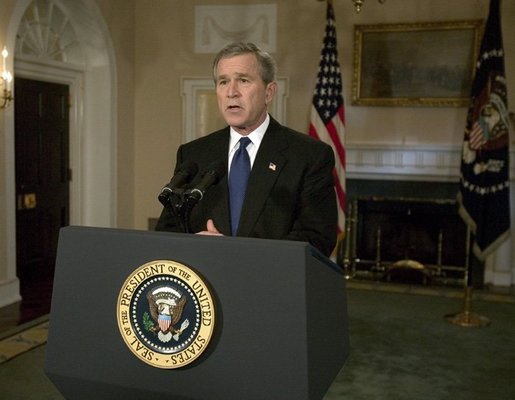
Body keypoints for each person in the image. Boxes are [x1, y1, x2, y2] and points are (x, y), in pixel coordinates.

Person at [156, 42, 337, 257]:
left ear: (269, 92)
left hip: (270, 285)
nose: (232, 92)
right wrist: (195, 244)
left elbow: (317, 238)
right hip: (205, 282)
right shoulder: (194, 154)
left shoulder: (309, 156)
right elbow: (168, 230)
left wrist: (239, 254)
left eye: (243, 80)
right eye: (223, 82)